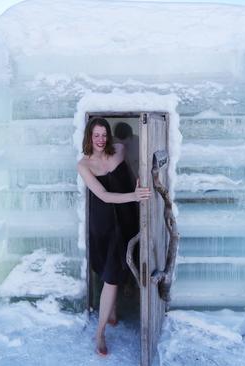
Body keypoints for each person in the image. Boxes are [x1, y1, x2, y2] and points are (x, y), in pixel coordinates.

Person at [77, 117, 150, 356]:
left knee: (122, 266)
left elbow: (132, 170)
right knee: (110, 274)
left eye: (103, 135)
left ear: (109, 136)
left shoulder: (119, 150)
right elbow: (104, 195)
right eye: (96, 135)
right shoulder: (84, 165)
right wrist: (134, 196)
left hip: (127, 216)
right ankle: (99, 335)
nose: (100, 140)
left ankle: (113, 312)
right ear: (89, 136)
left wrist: (140, 186)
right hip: (105, 223)